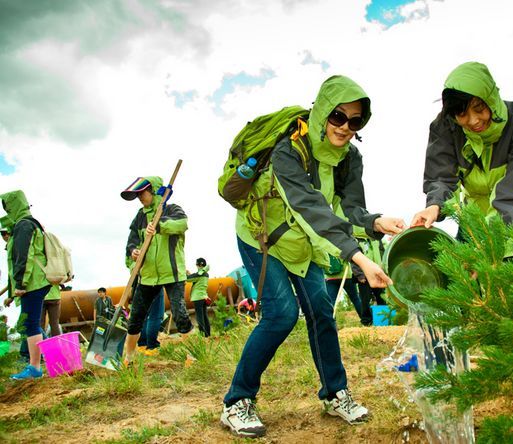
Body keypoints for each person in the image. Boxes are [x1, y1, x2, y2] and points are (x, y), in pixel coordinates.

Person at [220, 75, 406, 438]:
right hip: (264, 238)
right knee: (281, 314)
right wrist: (358, 258)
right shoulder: (289, 150)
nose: (345, 127)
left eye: (355, 121)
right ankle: (236, 401)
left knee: (321, 312)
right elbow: (309, 206)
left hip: (305, 243)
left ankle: (335, 394)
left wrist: (375, 223)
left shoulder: (350, 158)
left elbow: (350, 209)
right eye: (338, 117)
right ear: (322, 112)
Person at [412, 61, 513, 255]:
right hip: (476, 206)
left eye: (479, 108)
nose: (474, 120)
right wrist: (434, 206)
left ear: (491, 99)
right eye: (462, 114)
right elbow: (441, 177)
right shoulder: (445, 128)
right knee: (468, 269)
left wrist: (490, 240)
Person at [120, 176, 193, 363]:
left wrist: (160, 225)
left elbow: (182, 224)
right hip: (148, 275)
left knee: (180, 313)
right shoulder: (140, 216)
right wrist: (133, 252)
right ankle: (129, 357)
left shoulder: (172, 209)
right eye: (136, 195)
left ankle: (193, 354)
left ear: (154, 191)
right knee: (136, 315)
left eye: (141, 193)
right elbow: (131, 242)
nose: (139, 198)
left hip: (172, 272)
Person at [0, 190, 51, 379]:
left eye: (7, 207)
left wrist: (20, 283)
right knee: (30, 323)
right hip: (35, 281)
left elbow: (23, 256)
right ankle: (42, 360)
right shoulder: (26, 224)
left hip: (33, 282)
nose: (6, 211)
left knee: (30, 323)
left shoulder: (23, 226)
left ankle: (35, 368)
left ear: (14, 205)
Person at [187, 258, 211, 337]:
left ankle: (202, 335)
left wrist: (186, 274)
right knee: (205, 316)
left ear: (199, 265)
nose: (196, 266)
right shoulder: (206, 274)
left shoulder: (200, 274)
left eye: (197, 264)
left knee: (199, 317)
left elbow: (188, 279)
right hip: (204, 297)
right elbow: (196, 278)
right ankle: (208, 335)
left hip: (197, 298)